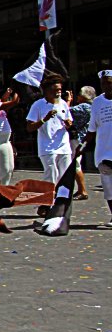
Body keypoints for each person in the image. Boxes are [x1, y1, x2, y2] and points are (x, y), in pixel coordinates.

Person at [26, 76, 73, 191]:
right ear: (47, 91)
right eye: (56, 90)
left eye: (60, 90)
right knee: (51, 176)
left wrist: (68, 124)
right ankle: (48, 202)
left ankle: (63, 202)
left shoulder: (62, 103)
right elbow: (29, 128)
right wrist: (44, 119)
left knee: (65, 176)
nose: (59, 92)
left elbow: (69, 122)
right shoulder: (37, 105)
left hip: (64, 146)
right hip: (47, 147)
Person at [84, 70, 112, 228]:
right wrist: (82, 145)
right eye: (104, 83)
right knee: (108, 189)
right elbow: (92, 128)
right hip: (104, 151)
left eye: (109, 82)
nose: (107, 85)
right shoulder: (97, 102)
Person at [68, 86, 94, 200]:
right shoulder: (92, 107)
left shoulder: (84, 107)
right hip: (82, 138)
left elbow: (65, 112)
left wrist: (68, 101)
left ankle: (82, 190)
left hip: (76, 138)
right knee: (76, 163)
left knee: (75, 164)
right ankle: (80, 189)